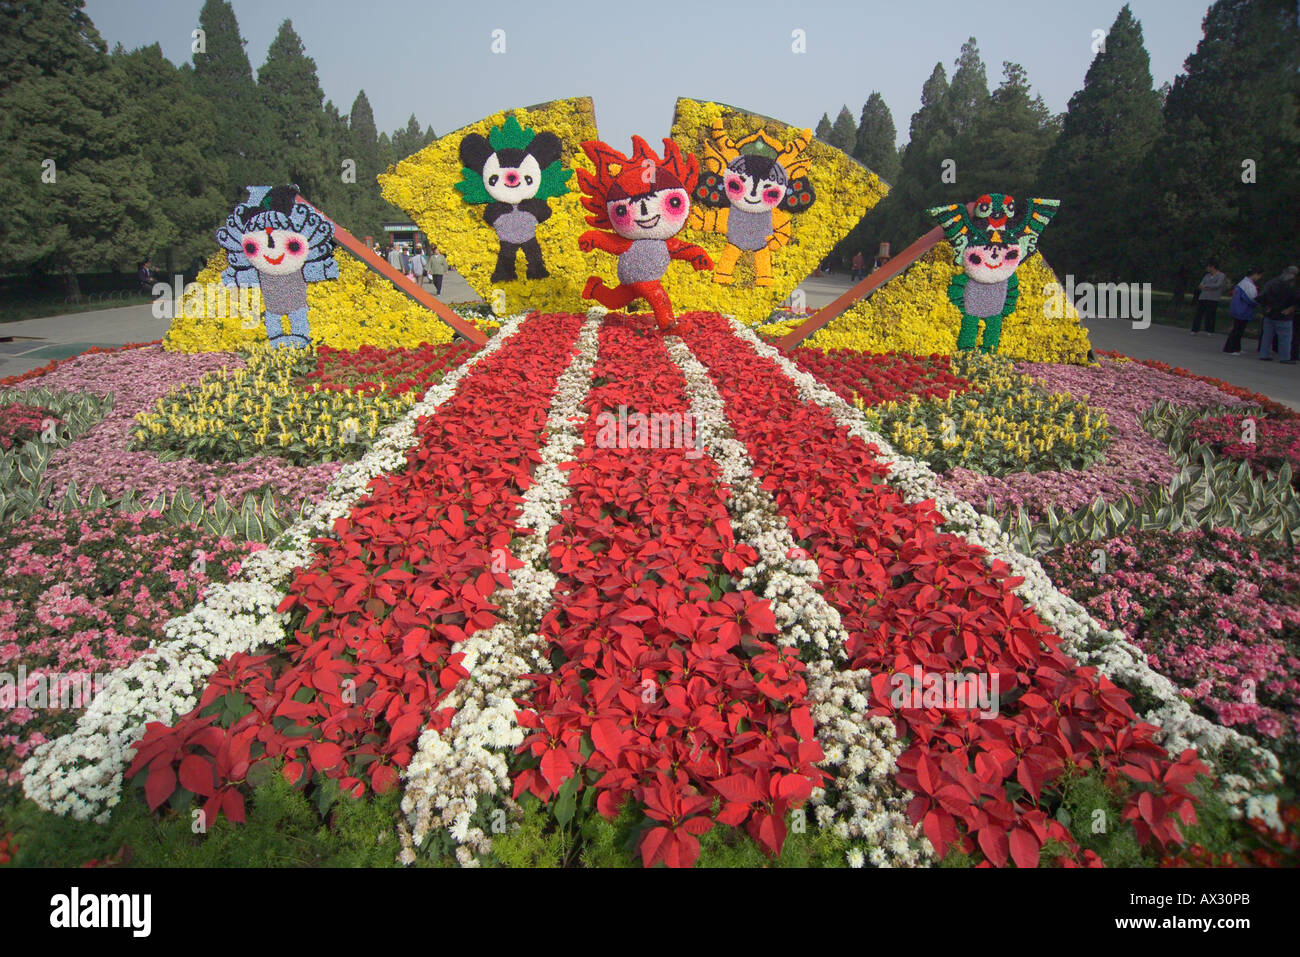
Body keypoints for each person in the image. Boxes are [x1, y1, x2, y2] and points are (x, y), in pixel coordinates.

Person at [1257, 266, 1299, 363]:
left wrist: (1266, 307)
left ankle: (1264, 354)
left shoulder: (1271, 282)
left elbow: (1261, 296)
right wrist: (1292, 308)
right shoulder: (1292, 285)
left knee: (1267, 335)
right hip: (1284, 315)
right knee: (1285, 337)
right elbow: (1297, 299)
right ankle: (1284, 357)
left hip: (1270, 313)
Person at [1223, 267, 1263, 354]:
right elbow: (1251, 298)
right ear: (1255, 274)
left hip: (1239, 309)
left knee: (1239, 329)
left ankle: (1236, 347)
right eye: (1259, 276)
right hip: (1242, 310)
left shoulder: (1243, 283)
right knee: (1238, 329)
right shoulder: (1248, 285)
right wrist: (1258, 302)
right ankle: (1230, 348)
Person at [1191, 261, 1227, 335]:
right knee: (1199, 313)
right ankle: (1195, 329)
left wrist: (1207, 286)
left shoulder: (1221, 275)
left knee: (1210, 314)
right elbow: (1201, 284)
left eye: (1208, 266)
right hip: (1203, 296)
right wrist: (1204, 286)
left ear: (1212, 267)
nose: (1207, 268)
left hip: (1213, 297)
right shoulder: (1207, 275)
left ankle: (1209, 330)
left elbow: (1218, 285)